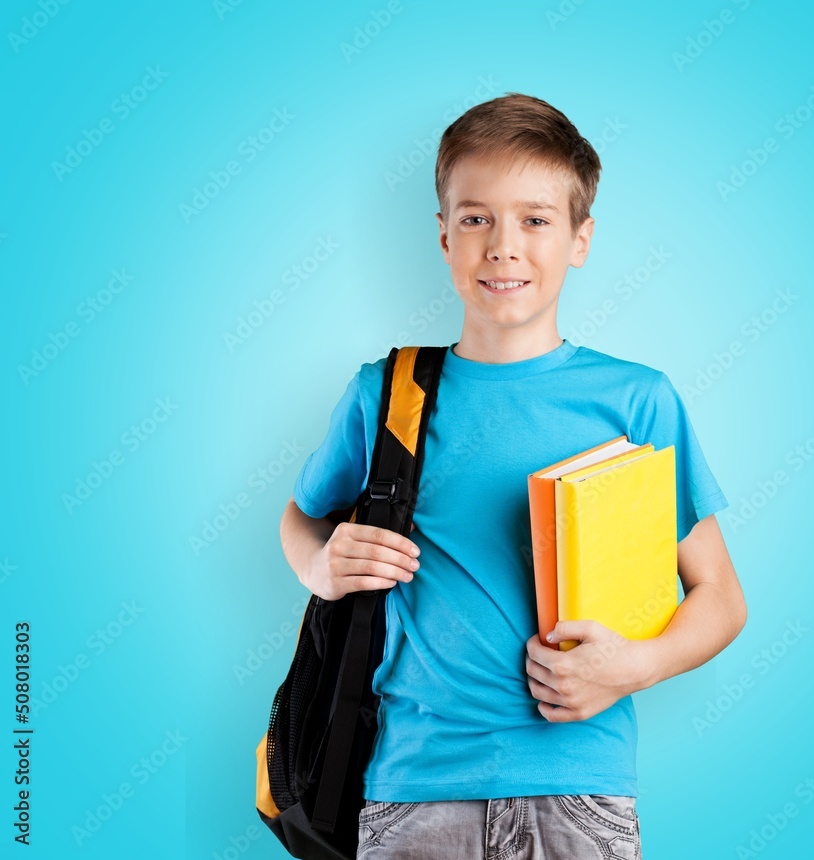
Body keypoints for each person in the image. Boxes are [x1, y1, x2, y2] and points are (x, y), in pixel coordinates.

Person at [278, 92, 747, 860]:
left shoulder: (637, 401)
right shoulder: (386, 395)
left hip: (581, 789)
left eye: (535, 219)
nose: (503, 246)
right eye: (475, 218)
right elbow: (301, 518)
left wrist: (634, 665)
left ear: (580, 239)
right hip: (410, 791)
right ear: (443, 235)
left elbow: (722, 598)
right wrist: (320, 566)